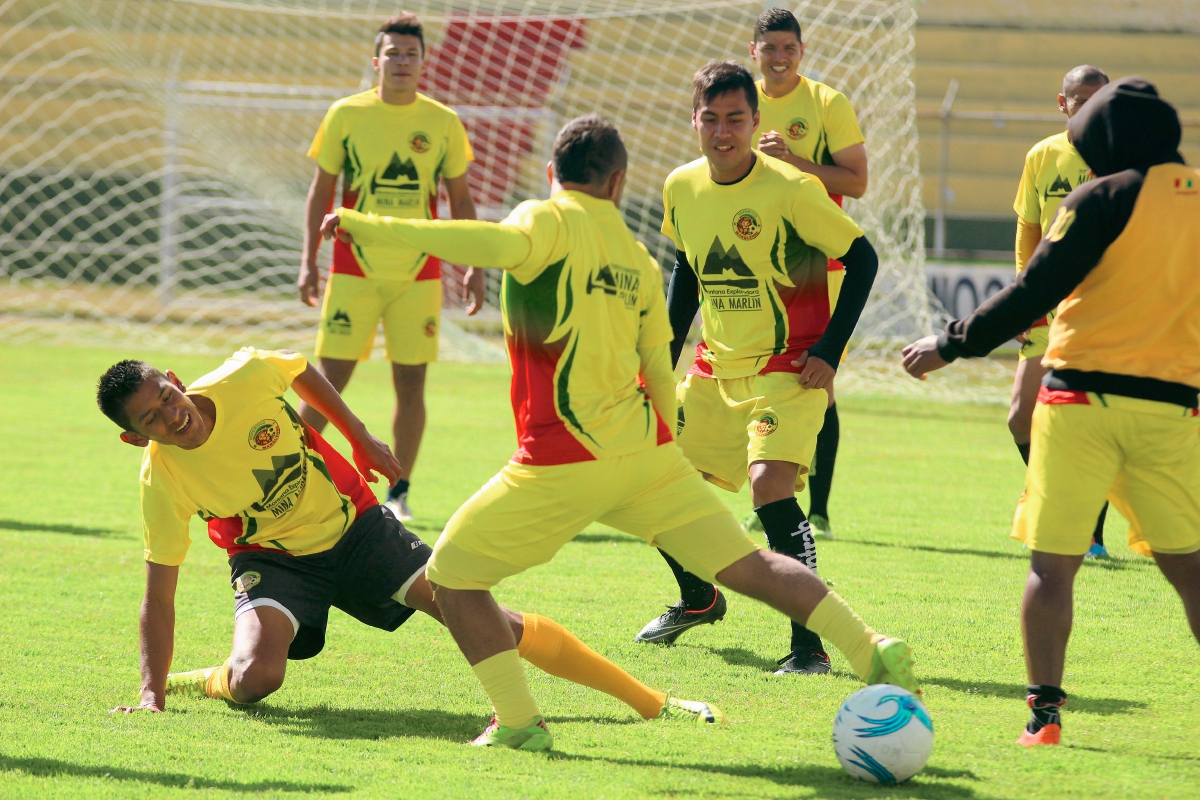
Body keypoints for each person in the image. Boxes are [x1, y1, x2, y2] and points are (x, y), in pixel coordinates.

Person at [324, 113, 915, 751]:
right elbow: (661, 371)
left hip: (559, 460)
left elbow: (483, 244)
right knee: (750, 564)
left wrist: (365, 222)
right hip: (648, 456)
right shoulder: (636, 259)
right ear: (618, 182)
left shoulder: (543, 220)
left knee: (452, 577)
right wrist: (663, 449)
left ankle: (520, 722)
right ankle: (868, 644)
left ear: (553, 174)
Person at [98, 348, 722, 728]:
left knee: (482, 617)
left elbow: (299, 370)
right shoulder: (161, 478)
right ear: (135, 437)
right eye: (151, 418)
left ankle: (652, 701)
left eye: (166, 395)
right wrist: (151, 695)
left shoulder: (243, 376)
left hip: (360, 528)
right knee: (256, 678)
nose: (171, 414)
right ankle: (199, 678)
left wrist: (360, 436)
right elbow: (160, 590)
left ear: (175, 379)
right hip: (273, 559)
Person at [901, 78, 1200, 747]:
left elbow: (1035, 286)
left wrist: (950, 344)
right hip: (1173, 412)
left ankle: (1044, 717)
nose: (1088, 163)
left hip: (1079, 404)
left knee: (1051, 565)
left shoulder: (1101, 197)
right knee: (1190, 567)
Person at [633, 61, 879, 679]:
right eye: (710, 119)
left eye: (735, 119)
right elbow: (687, 271)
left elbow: (863, 258)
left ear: (756, 121)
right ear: (694, 121)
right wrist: (661, 360)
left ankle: (810, 646)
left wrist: (829, 351)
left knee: (769, 487)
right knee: (647, 482)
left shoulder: (793, 189)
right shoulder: (681, 186)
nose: (723, 132)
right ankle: (699, 598)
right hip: (715, 371)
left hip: (788, 371)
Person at [296, 13, 486, 523]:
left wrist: (474, 263)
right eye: (393, 53)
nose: (402, 61)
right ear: (376, 61)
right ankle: (295, 475)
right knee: (327, 380)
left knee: (411, 384)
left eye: (411, 54)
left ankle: (398, 491)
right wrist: (308, 260)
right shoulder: (346, 115)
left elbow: (460, 198)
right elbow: (322, 190)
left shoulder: (442, 122)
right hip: (352, 266)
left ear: (424, 62)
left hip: (418, 273)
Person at [749, 6, 870, 542]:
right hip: (756, 265)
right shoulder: (741, 102)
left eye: (788, 48)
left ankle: (816, 510)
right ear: (754, 51)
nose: (779, 57)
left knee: (816, 381)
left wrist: (795, 162)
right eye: (769, 48)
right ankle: (772, 497)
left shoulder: (827, 103)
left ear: (802, 51)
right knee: (761, 377)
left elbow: (857, 182)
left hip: (821, 265)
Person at [1010, 65, 1110, 559]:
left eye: (1100, 98)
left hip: (1100, 309)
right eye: (1081, 99)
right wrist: (1025, 296)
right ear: (1062, 103)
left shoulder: (1121, 157)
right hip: (1046, 306)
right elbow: (1028, 228)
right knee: (1020, 419)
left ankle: (1088, 534)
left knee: (1088, 423)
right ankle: (1058, 506)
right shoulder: (1043, 155)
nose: (1090, 107)